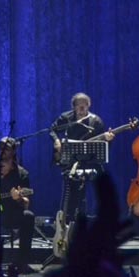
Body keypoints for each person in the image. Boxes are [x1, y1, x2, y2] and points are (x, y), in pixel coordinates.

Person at [49, 92, 114, 222]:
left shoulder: (96, 121)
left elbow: (103, 145)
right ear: (73, 107)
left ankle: (100, 221)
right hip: (71, 160)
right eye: (79, 106)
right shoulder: (66, 118)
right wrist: (56, 140)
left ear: (89, 106)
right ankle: (66, 222)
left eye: (84, 106)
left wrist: (108, 140)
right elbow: (52, 129)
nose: (82, 109)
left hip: (90, 160)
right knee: (70, 192)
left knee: (102, 186)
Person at [0, 136, 35, 273]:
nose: (2, 151)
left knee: (28, 216)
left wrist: (18, 198)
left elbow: (26, 204)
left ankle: (22, 262)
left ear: (13, 151)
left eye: (6, 149)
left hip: (11, 214)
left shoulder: (22, 174)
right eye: (0, 148)